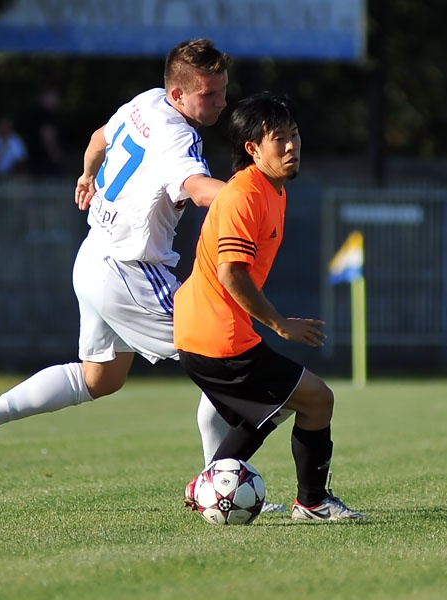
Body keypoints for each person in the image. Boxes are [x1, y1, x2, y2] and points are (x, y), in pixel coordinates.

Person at [0, 40, 291, 510]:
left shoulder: (145, 102)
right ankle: (215, 487)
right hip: (131, 273)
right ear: (179, 95)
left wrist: (86, 175)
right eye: (210, 94)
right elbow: (200, 190)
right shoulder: (178, 137)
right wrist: (249, 196)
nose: (221, 103)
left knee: (99, 378)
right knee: (224, 357)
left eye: (223, 91)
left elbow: (99, 139)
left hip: (93, 259)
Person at [174, 92, 364, 521]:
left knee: (267, 412)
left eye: (294, 135)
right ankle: (313, 503)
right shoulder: (244, 195)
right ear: (253, 149)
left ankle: (204, 486)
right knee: (317, 400)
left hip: (207, 333)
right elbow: (232, 273)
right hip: (217, 338)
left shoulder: (272, 190)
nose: (292, 145)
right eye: (279, 139)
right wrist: (279, 325)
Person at [25, 86, 67, 176]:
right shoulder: (45, 115)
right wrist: (55, 154)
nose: (55, 101)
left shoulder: (34, 114)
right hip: (44, 161)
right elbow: (48, 135)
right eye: (52, 97)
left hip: (36, 160)